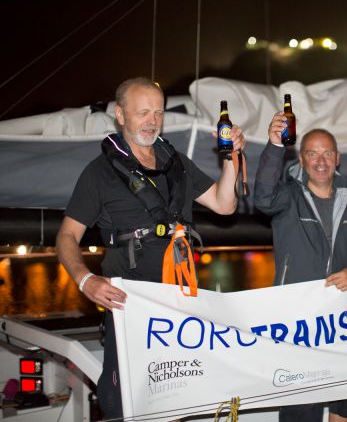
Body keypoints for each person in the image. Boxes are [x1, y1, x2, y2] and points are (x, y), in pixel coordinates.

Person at [55, 77, 245, 418]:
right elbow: (67, 237)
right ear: (120, 115)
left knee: (179, 394)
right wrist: (86, 281)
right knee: (121, 397)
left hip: (181, 302)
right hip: (129, 304)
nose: (152, 120)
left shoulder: (178, 165)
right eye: (142, 112)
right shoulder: (99, 174)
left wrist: (231, 158)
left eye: (158, 112)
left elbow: (224, 204)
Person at [254, 114, 347, 422]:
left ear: (337, 158)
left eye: (327, 153)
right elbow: (262, 196)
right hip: (300, 325)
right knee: (302, 412)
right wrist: (274, 145)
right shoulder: (287, 198)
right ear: (302, 158)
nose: (320, 161)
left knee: (346, 408)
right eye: (312, 153)